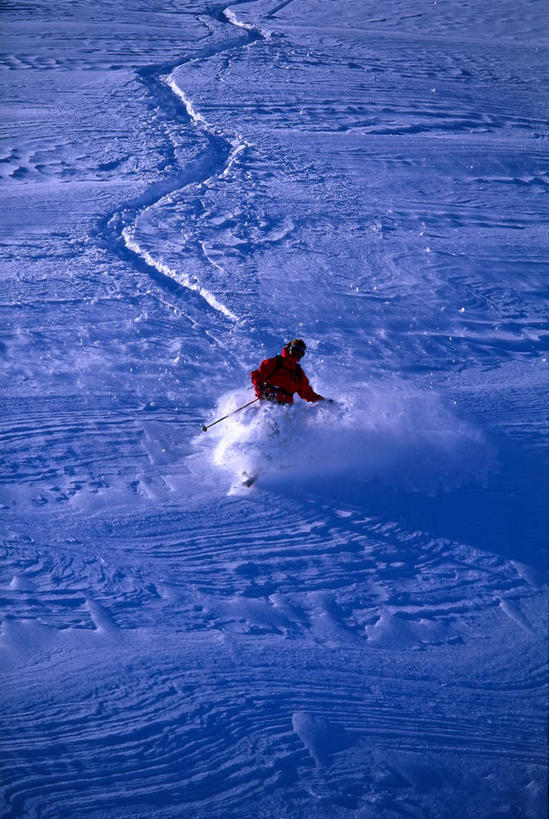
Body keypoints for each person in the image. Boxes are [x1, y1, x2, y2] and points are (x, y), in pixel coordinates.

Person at [250, 338, 326, 405]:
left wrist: (324, 402)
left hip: (286, 408)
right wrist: (261, 391)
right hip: (268, 401)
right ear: (289, 349)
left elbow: (307, 393)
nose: (296, 356)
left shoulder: (298, 373)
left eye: (299, 354)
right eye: (294, 352)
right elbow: (257, 376)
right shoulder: (275, 363)